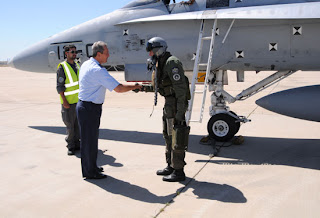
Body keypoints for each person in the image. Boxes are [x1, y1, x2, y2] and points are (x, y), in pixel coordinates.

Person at [76, 41, 141, 180]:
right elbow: (118, 88)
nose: (109, 55)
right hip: (89, 108)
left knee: (91, 141)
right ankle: (89, 172)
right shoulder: (97, 70)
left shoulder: (87, 64)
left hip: (87, 107)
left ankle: (91, 167)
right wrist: (135, 86)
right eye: (106, 53)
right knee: (89, 142)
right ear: (98, 54)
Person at [138, 37, 191, 182]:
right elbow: (161, 86)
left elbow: (181, 89)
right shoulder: (161, 62)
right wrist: (142, 87)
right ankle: (171, 165)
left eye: (151, 51)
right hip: (169, 105)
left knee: (177, 137)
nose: (150, 55)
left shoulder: (171, 63)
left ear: (158, 49)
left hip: (175, 105)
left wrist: (180, 112)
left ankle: (179, 171)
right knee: (168, 135)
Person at [56, 44, 80, 156]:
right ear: (66, 53)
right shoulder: (62, 67)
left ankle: (77, 143)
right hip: (68, 103)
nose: (74, 53)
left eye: (75, 51)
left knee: (78, 125)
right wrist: (64, 101)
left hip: (79, 101)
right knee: (70, 126)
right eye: (72, 52)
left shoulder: (77, 65)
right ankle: (70, 146)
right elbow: (60, 86)